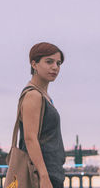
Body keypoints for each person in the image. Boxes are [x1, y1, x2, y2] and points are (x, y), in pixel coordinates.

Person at [17, 42, 66, 188]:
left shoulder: (44, 96)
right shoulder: (33, 95)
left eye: (58, 63)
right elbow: (30, 138)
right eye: (49, 62)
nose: (55, 67)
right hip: (40, 176)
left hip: (52, 173)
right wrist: (44, 177)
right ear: (34, 64)